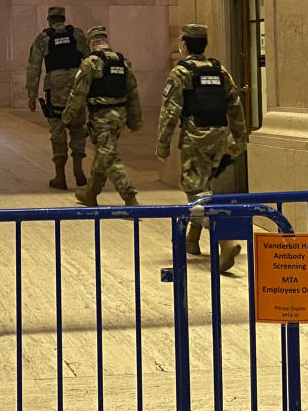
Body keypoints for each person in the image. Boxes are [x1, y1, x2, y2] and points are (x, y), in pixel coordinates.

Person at [156, 24, 247, 273]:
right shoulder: (220, 71)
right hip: (220, 138)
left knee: (196, 192)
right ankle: (192, 241)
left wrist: (162, 146)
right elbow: (235, 105)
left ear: (184, 44)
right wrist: (239, 138)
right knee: (204, 185)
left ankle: (225, 243)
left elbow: (170, 111)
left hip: (196, 139)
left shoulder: (181, 72)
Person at [62, 26, 142, 207]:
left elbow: (78, 94)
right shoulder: (122, 62)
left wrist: (67, 117)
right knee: (103, 155)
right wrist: (135, 120)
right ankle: (90, 194)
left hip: (102, 117)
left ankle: (130, 197)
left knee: (109, 157)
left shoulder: (91, 62)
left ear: (91, 42)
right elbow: (133, 92)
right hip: (119, 117)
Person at [26, 6, 90, 189]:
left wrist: (32, 94)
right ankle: (79, 171)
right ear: (64, 17)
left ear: (49, 19)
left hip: (56, 91)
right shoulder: (77, 35)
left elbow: (34, 68)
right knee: (78, 128)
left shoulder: (43, 38)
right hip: (77, 90)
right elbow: (89, 62)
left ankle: (60, 177)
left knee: (58, 131)